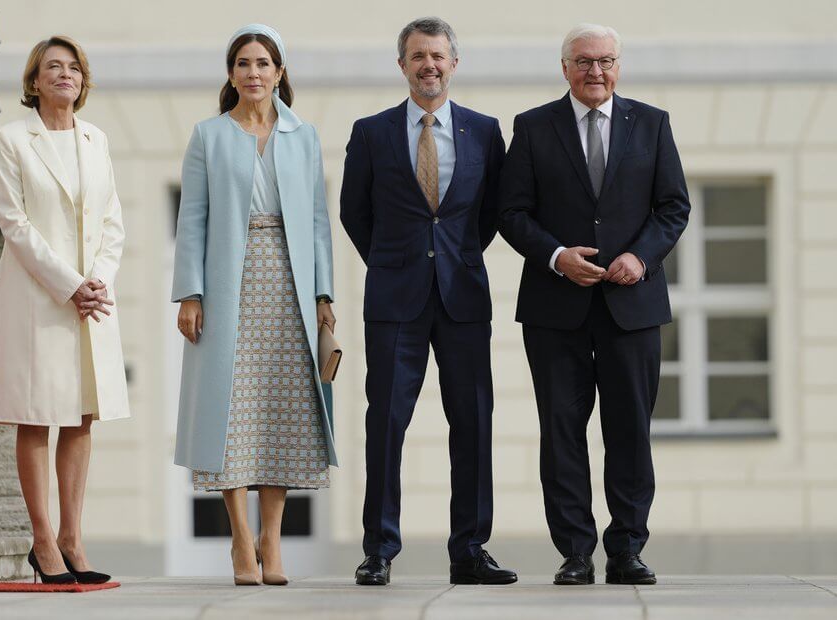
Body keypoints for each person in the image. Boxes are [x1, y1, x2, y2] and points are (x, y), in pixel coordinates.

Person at [498, 23, 690, 586]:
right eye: (583, 62)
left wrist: (642, 257)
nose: (595, 72)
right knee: (561, 430)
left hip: (633, 304)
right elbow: (512, 213)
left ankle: (627, 549)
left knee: (630, 429)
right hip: (556, 308)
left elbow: (673, 206)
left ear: (619, 66)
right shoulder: (533, 127)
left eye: (605, 61)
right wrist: (557, 255)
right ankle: (575, 552)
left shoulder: (652, 124)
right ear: (564, 68)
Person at [341, 16, 516, 586]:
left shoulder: (485, 132)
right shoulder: (371, 132)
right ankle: (380, 550)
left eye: (438, 55)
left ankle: (469, 550)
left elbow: (493, 212)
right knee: (386, 424)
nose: (429, 65)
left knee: (473, 423)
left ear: (454, 63)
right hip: (395, 301)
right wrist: (395, 261)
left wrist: (455, 254)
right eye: (418, 56)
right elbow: (354, 212)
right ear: (403, 65)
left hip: (463, 296)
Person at [171, 24, 337, 586]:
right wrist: (190, 293)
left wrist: (324, 297)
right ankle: (241, 541)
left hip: (289, 283)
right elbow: (191, 219)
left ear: (280, 72)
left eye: (263, 63)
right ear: (231, 74)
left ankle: (273, 539)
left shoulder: (303, 135)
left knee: (281, 412)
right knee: (230, 414)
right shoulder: (208, 135)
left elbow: (318, 221)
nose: (253, 72)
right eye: (243, 63)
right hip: (227, 283)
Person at [0, 35, 128, 585]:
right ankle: (42, 540)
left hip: (92, 299)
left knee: (82, 411)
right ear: (35, 81)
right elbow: (15, 224)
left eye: (74, 68)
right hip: (37, 296)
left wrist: (98, 283)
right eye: (53, 67)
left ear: (83, 81)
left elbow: (113, 219)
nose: (65, 74)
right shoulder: (12, 139)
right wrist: (69, 285)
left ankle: (73, 538)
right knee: (37, 411)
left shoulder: (97, 139)